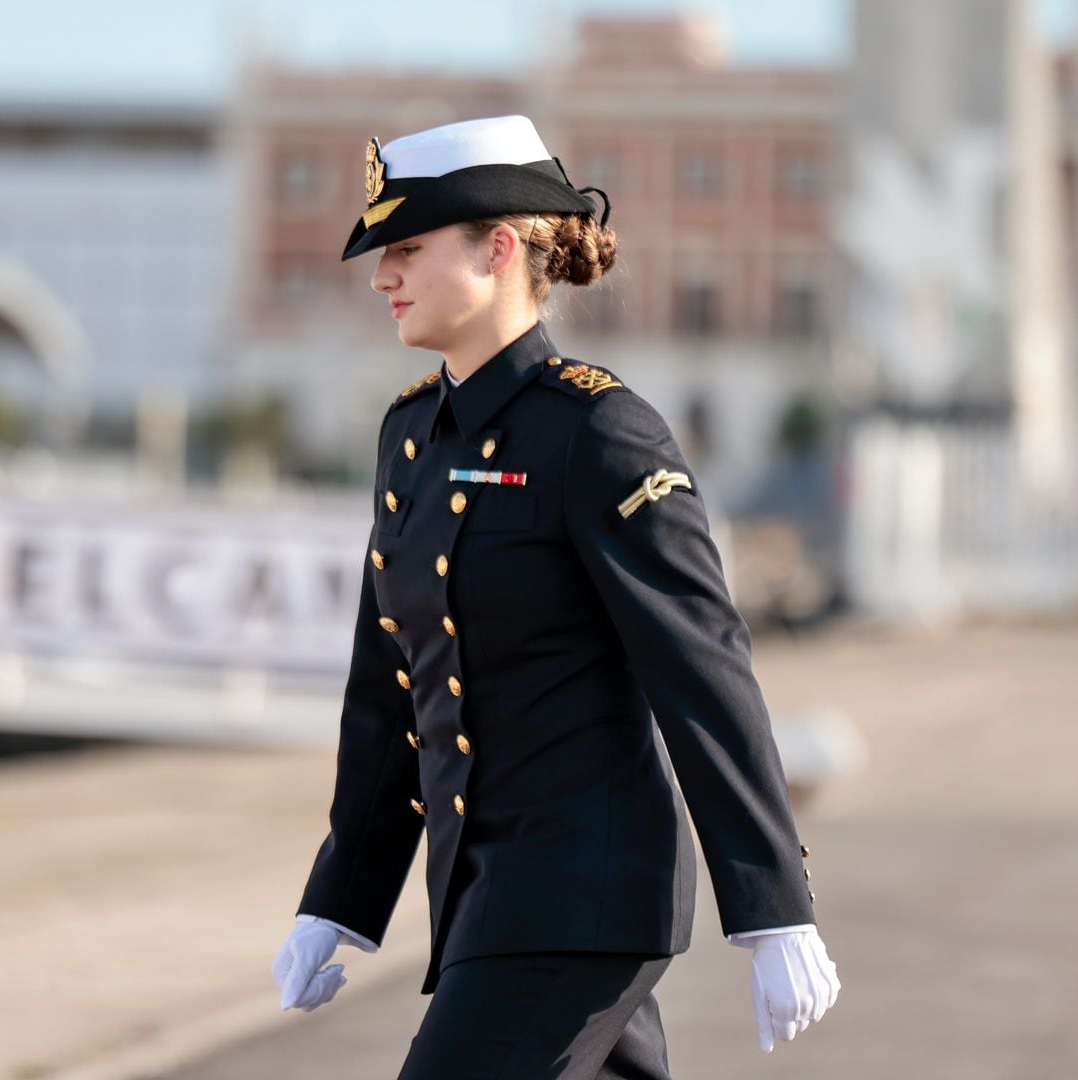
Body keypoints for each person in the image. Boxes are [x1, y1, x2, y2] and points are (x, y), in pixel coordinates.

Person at [271, 114, 840, 1078]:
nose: (381, 277)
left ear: (497, 248)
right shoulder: (410, 439)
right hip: (479, 892)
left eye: (406, 248)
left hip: (581, 893)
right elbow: (390, 690)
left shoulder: (600, 433)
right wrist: (340, 896)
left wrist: (774, 905)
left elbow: (702, 672)